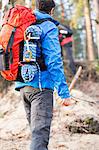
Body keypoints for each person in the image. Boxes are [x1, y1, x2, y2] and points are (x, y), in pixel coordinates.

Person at [15, 0, 75, 150]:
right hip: (41, 89)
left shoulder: (25, 22)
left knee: (37, 136)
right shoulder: (48, 26)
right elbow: (54, 61)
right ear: (52, 10)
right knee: (39, 139)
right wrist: (64, 93)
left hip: (23, 86)